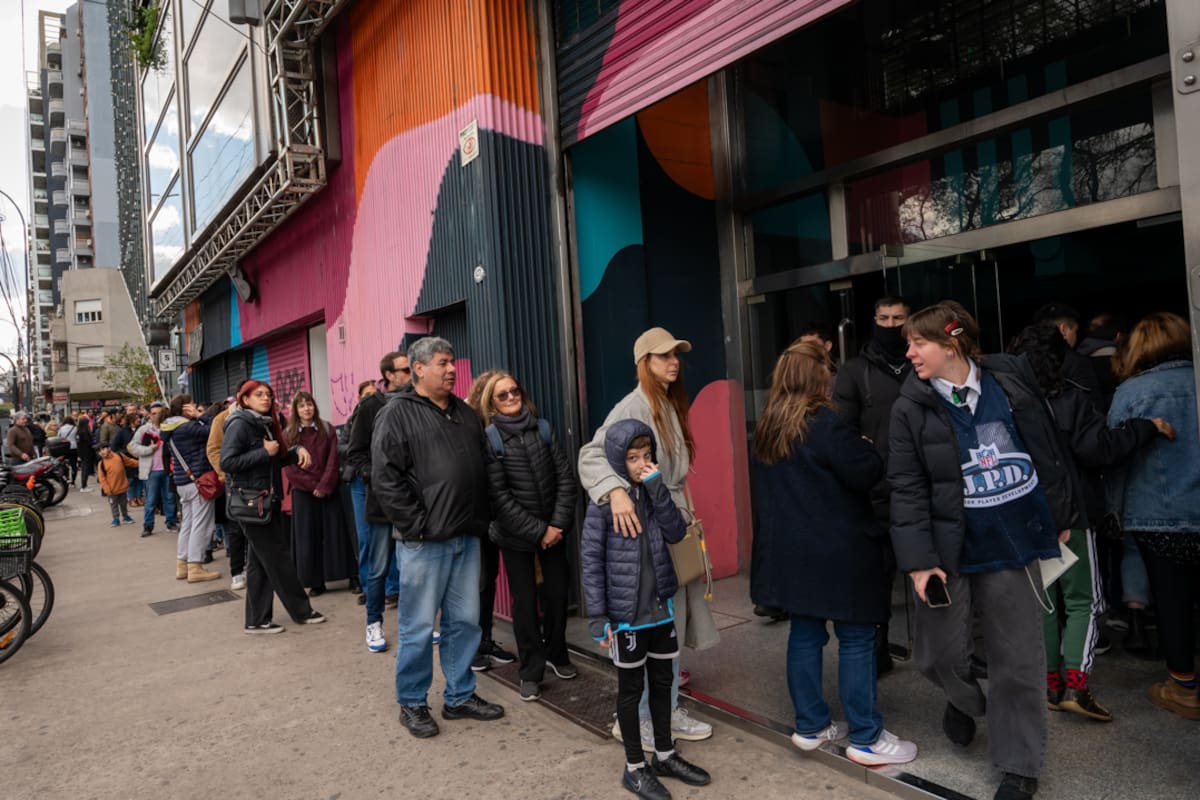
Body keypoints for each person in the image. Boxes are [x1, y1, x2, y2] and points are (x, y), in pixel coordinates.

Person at [889, 304, 1076, 800]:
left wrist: (1059, 516)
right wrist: (918, 559)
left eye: (918, 343)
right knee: (939, 654)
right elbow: (905, 487)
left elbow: (1046, 447)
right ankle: (963, 698)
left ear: (952, 344)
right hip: (948, 552)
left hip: (1012, 542)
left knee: (1017, 659)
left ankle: (1019, 765)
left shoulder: (1010, 385)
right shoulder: (910, 406)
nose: (908, 353)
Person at [752, 340, 918, 766]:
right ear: (814, 377)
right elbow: (865, 472)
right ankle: (866, 737)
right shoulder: (825, 422)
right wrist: (864, 444)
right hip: (840, 551)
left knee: (805, 636)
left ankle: (811, 725)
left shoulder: (769, 425)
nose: (831, 375)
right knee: (858, 639)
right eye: (826, 368)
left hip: (793, 554)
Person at [1010, 324, 1174, 723]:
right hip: (1074, 513)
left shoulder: (1006, 402)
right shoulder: (1073, 398)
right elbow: (1096, 449)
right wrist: (1145, 428)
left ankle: (1049, 684)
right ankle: (1076, 687)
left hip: (1028, 516)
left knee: (1045, 604)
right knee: (1084, 600)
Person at [578, 327, 717, 749]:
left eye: (676, 354)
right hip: (647, 531)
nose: (673, 361)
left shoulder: (665, 402)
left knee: (668, 624)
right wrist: (615, 491)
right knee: (658, 624)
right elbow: (591, 453)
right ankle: (644, 718)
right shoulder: (632, 407)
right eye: (662, 356)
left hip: (666, 521)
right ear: (644, 362)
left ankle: (663, 710)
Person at [371, 336, 505, 738]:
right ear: (418, 369)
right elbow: (385, 478)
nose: (451, 370)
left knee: (465, 622)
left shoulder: (464, 414)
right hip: (424, 543)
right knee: (416, 627)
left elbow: (482, 465)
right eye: (443, 363)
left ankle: (460, 696)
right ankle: (411, 702)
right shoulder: (397, 414)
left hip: (466, 537)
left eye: (451, 363)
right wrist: (417, 526)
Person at [582, 419, 711, 800]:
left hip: (661, 610)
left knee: (662, 682)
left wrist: (657, 490)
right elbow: (591, 563)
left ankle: (665, 754)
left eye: (647, 456)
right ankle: (634, 766)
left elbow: (674, 533)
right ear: (618, 462)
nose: (642, 463)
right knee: (630, 689)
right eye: (633, 457)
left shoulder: (656, 497)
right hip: (626, 616)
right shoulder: (603, 507)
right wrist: (598, 618)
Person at [1106, 312, 1200, 721]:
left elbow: (1114, 456)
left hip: (1158, 516)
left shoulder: (1133, 391)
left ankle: (1184, 690)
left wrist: (1112, 512)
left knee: (1172, 601)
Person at [475, 370, 578, 701]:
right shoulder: (490, 439)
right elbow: (499, 498)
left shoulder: (543, 429)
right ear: (492, 402)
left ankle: (557, 653)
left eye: (514, 391)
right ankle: (531, 670)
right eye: (502, 395)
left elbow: (565, 478)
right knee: (524, 604)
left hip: (554, 532)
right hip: (516, 537)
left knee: (558, 595)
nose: (510, 398)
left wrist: (557, 526)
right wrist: (539, 532)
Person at [833, 295, 911, 673]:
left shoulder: (922, 364)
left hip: (921, 489)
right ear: (874, 320)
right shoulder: (854, 371)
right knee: (879, 577)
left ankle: (949, 655)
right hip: (876, 491)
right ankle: (878, 649)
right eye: (885, 318)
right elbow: (844, 432)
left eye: (899, 318)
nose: (892, 325)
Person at [220, 380, 324, 633]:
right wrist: (263, 453)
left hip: (264, 502)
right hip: (251, 504)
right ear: (244, 399)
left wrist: (295, 450)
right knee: (278, 558)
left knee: (261, 563)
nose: (265, 399)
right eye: (259, 395)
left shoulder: (263, 424)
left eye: (268, 395)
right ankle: (302, 610)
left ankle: (257, 619)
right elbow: (228, 462)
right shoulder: (241, 424)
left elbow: (275, 458)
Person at [346, 352, 410, 654]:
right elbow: (355, 453)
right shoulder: (371, 405)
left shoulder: (417, 402)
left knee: (415, 567)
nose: (411, 373)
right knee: (379, 566)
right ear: (389, 375)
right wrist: (377, 476)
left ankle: (419, 623)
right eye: (405, 370)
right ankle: (373, 623)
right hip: (383, 502)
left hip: (415, 502)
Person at [463, 369, 518, 672]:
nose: (507, 400)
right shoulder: (472, 430)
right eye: (498, 396)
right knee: (476, 583)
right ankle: (471, 646)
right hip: (477, 518)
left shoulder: (506, 427)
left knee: (489, 580)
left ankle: (485, 639)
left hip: (499, 516)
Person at [284, 391, 355, 597]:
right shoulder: (288, 434)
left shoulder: (327, 429)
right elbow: (290, 467)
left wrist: (324, 485)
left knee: (337, 533)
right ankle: (315, 582)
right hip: (303, 493)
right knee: (308, 537)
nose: (307, 409)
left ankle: (350, 575)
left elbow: (334, 459)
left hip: (329, 488)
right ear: (296, 411)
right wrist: (312, 486)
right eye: (302, 406)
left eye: (309, 404)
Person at [161, 395, 220, 583]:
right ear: (186, 408)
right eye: (193, 404)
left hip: (183, 482)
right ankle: (195, 566)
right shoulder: (188, 427)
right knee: (201, 524)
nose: (195, 406)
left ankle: (182, 564)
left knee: (187, 523)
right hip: (198, 480)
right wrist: (200, 416)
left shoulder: (170, 428)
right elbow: (214, 431)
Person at [209, 389, 251, 590]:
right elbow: (214, 449)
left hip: (257, 482)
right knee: (235, 529)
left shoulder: (263, 416)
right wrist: (225, 474)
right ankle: (237, 571)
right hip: (234, 482)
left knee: (257, 525)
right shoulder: (222, 419)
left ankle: (254, 568)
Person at [130, 405, 178, 538]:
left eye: (157, 413)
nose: (154, 415)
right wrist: (149, 449)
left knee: (169, 498)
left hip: (167, 469)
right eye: (152, 413)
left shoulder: (168, 427)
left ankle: (171, 522)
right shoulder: (144, 429)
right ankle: (148, 526)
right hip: (151, 470)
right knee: (150, 500)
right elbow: (133, 447)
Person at [97, 441, 132, 527]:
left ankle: (125, 516)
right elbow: (102, 479)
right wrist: (107, 489)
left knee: (124, 503)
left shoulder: (119, 456)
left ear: (109, 448)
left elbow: (130, 461)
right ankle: (116, 518)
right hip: (111, 490)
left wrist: (140, 464)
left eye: (103, 449)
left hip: (122, 487)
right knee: (113, 505)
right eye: (99, 451)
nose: (102, 452)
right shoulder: (101, 464)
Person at [75, 412, 95, 492]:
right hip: (86, 452)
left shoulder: (78, 432)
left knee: (84, 468)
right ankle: (84, 486)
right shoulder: (85, 432)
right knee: (85, 469)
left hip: (82, 452)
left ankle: (84, 485)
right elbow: (89, 442)